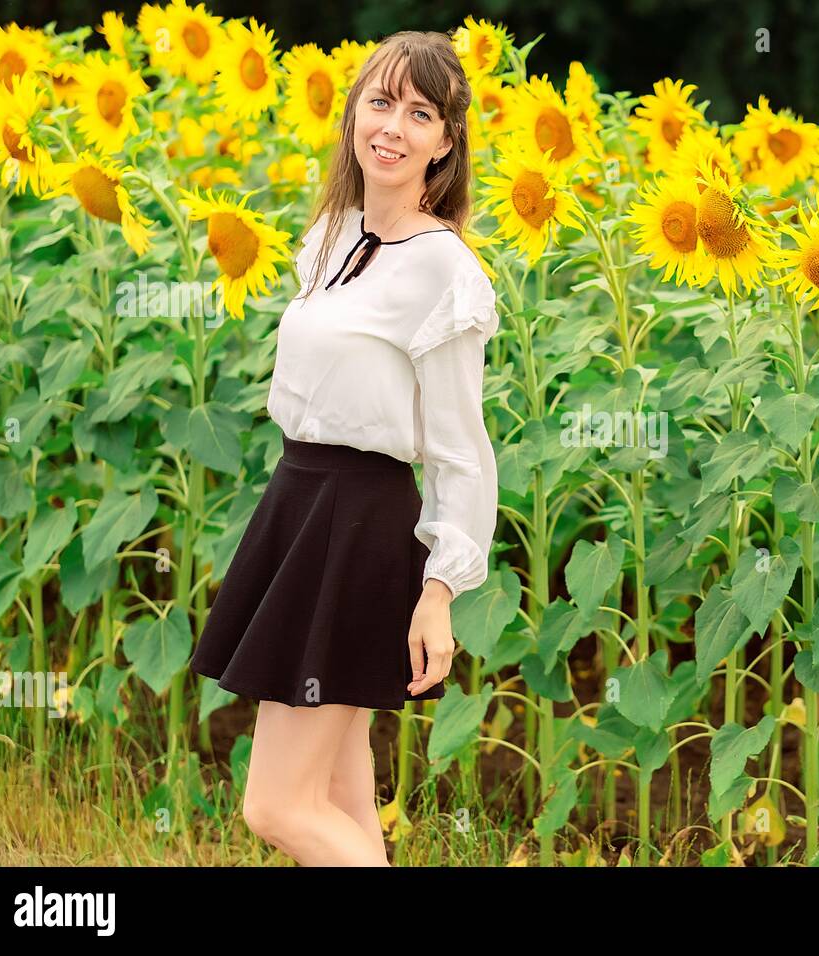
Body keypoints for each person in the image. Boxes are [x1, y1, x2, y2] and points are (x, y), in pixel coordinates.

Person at [188, 30, 499, 866]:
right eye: (380, 101)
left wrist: (439, 591)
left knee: (276, 806)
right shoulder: (333, 235)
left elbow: (461, 450)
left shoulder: (444, 271)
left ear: (445, 141)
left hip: (359, 525)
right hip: (301, 503)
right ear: (355, 113)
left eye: (420, 111)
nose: (393, 126)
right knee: (335, 794)